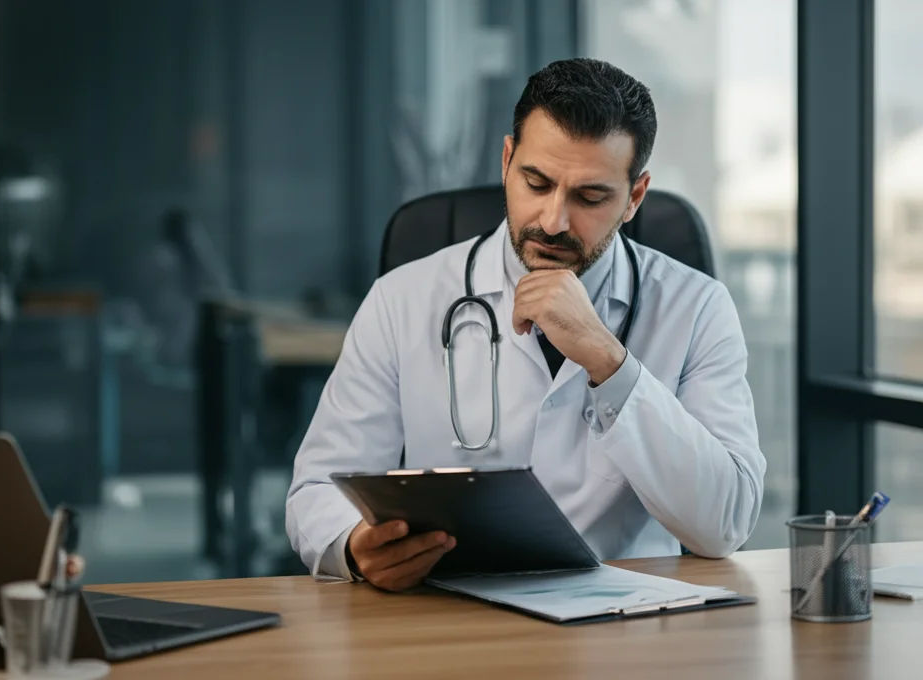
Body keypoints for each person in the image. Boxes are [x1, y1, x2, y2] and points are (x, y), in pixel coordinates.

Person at [285, 58, 766, 592]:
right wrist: (354, 547)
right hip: (453, 616)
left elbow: (726, 524)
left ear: (634, 196)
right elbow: (316, 490)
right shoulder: (402, 300)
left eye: (590, 197)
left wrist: (608, 361)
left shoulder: (696, 308)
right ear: (508, 161)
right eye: (536, 182)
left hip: (626, 623)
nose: (553, 221)